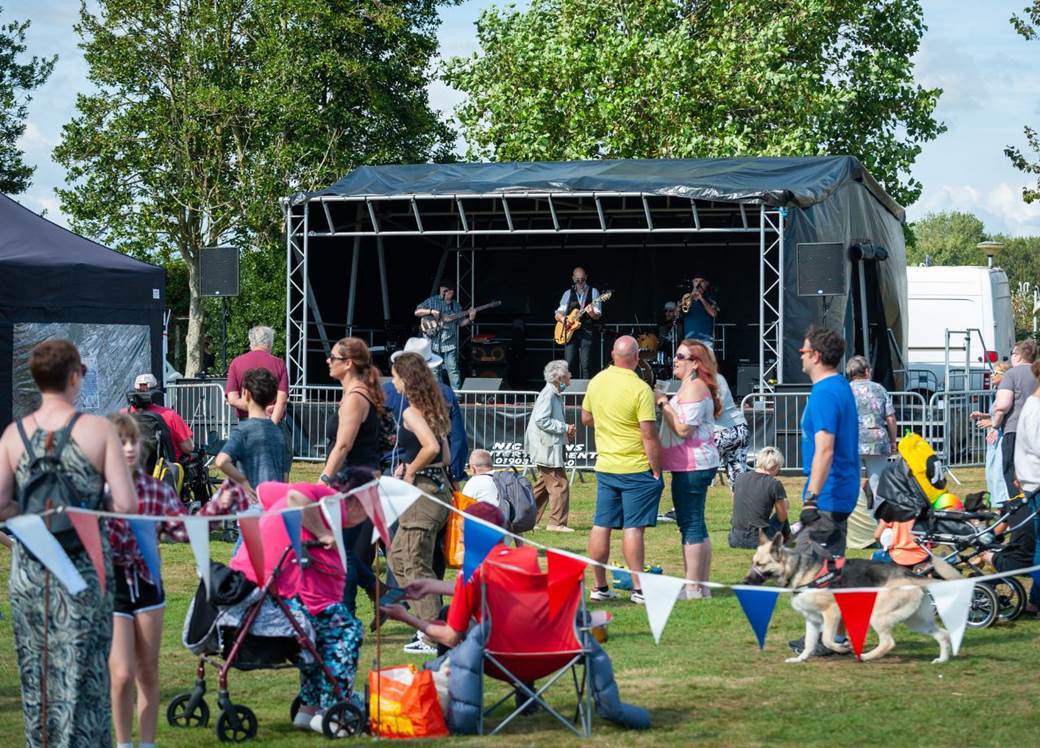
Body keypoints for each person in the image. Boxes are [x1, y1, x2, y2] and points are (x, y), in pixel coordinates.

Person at [0, 340, 137, 748]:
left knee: (37, 673)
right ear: (75, 376)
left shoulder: (13, 434)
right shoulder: (97, 429)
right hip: (82, 566)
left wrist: (30, 514)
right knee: (85, 673)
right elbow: (126, 503)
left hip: (30, 571)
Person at [106, 413, 235, 748]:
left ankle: (146, 743)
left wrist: (217, 508)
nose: (130, 449)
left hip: (149, 587)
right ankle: (123, 743)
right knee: (120, 674)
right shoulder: (98, 493)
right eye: (122, 443)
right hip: (113, 590)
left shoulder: (155, 490)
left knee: (147, 670)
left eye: (134, 441)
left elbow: (182, 530)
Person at [228, 480, 369, 734]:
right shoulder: (324, 504)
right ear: (354, 503)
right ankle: (333, 707)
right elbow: (296, 498)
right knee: (346, 631)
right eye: (365, 514)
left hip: (260, 594)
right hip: (277, 600)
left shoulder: (304, 499)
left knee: (315, 636)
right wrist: (324, 533)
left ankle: (308, 707)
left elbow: (264, 491)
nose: (362, 521)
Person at [582, 335, 663, 604]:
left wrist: (608, 423)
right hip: (635, 466)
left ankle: (599, 586)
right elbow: (649, 435)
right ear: (637, 358)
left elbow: (586, 417)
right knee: (633, 528)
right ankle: (639, 590)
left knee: (601, 524)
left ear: (613, 355)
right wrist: (657, 469)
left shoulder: (597, 381)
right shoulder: (641, 389)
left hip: (606, 465)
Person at [386, 351, 453, 654]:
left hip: (425, 493)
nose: (393, 381)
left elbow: (432, 447)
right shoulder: (433, 409)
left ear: (406, 378)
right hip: (436, 489)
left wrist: (411, 471)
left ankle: (432, 633)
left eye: (395, 376)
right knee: (398, 556)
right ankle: (429, 622)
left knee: (414, 560)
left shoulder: (413, 413)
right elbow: (446, 456)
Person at [380, 502, 513, 649]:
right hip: (535, 653)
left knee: (447, 615)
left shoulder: (474, 574)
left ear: (478, 533)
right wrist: (430, 586)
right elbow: (485, 587)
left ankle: (445, 666)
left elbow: (449, 638)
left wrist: (406, 617)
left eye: (464, 532)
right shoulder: (521, 561)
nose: (461, 539)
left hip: (498, 654)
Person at [656, 338, 721, 599]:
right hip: (693, 464)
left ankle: (693, 587)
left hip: (693, 465)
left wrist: (663, 403)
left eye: (681, 357)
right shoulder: (691, 386)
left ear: (695, 363)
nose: (675, 360)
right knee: (696, 523)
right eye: (676, 355)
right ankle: (700, 586)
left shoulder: (695, 388)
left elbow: (683, 429)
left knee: (690, 524)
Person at [797, 326, 860, 558]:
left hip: (828, 494)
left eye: (803, 350)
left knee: (805, 573)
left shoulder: (825, 392)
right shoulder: (840, 385)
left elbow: (825, 450)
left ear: (816, 355)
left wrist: (811, 499)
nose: (800, 355)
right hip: (839, 490)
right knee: (831, 573)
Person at [383, 337, 468, 483]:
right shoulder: (444, 392)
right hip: (431, 471)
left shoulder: (385, 392)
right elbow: (456, 438)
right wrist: (455, 474)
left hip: (398, 468)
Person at [215, 368, 289, 504]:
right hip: (276, 504)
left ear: (246, 394)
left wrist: (242, 481)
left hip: (252, 504)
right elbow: (284, 475)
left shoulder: (243, 431)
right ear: (273, 398)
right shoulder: (278, 431)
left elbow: (221, 461)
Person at [321, 337, 384, 481]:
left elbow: (343, 446)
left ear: (348, 363)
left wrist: (323, 480)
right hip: (353, 477)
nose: (328, 361)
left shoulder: (355, 399)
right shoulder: (358, 394)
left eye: (332, 358)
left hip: (352, 481)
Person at [526, 359, 575, 532]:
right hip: (545, 446)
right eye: (568, 372)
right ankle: (556, 523)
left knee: (543, 486)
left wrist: (564, 430)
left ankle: (527, 519)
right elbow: (542, 420)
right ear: (559, 377)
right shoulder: (548, 394)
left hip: (546, 445)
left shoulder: (552, 393)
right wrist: (564, 427)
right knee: (559, 484)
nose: (570, 375)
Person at [989, 339, 1039, 497]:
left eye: (1011, 354)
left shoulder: (1012, 374)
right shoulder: (1037, 373)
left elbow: (1002, 405)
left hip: (1015, 430)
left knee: (1012, 473)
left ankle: (1020, 513)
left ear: (1017, 356)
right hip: (1037, 430)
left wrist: (994, 427)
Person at [846, 355, 897, 500]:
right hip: (878, 442)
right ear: (867, 371)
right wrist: (893, 441)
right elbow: (891, 418)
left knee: (851, 485)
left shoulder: (845, 390)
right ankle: (879, 519)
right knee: (878, 486)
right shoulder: (880, 389)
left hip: (852, 442)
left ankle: (854, 518)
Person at [415, 284, 476, 390]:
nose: (448, 292)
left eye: (450, 290)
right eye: (445, 290)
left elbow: (461, 323)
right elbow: (417, 312)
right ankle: (438, 395)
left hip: (449, 343)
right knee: (434, 371)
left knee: (453, 370)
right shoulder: (431, 301)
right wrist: (431, 311)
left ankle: (456, 396)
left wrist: (470, 319)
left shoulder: (456, 306)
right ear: (441, 290)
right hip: (433, 343)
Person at [225, 325, 289, 424]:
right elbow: (282, 399)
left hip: (246, 422)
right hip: (273, 421)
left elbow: (232, 399)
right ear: (269, 343)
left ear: (251, 342)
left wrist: (255, 409)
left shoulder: (236, 363)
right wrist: (272, 422)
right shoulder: (279, 363)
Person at [728, 447, 790, 549]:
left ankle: (787, 537)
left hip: (734, 538)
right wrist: (785, 506)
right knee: (783, 508)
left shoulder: (739, 478)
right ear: (774, 467)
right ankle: (788, 537)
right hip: (758, 539)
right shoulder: (774, 484)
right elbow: (782, 517)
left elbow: (735, 503)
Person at [126, 372, 194, 459]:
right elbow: (188, 448)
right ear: (155, 391)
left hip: (132, 468)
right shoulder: (169, 415)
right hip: (163, 468)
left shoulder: (124, 414)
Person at [555, 266, 602, 379]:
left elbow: (597, 315)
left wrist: (591, 313)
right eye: (577, 280)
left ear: (586, 277)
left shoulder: (594, 292)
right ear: (573, 279)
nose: (580, 282)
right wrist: (564, 320)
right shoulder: (568, 293)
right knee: (568, 363)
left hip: (587, 331)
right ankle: (567, 392)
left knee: (586, 364)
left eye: (582, 279)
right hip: (570, 332)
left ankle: (586, 393)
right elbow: (557, 314)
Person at [712, 366, 750, 489]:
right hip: (739, 428)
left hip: (723, 432)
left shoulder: (708, 380)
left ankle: (681, 507)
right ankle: (742, 506)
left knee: (695, 473)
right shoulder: (717, 378)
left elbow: (717, 410)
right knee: (738, 482)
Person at [677, 275, 718, 345]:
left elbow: (713, 314)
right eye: (696, 281)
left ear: (706, 284)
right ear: (693, 283)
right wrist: (691, 297)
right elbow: (684, 311)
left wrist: (702, 299)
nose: (699, 284)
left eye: (701, 281)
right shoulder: (687, 297)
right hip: (690, 339)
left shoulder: (710, 299)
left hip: (706, 340)